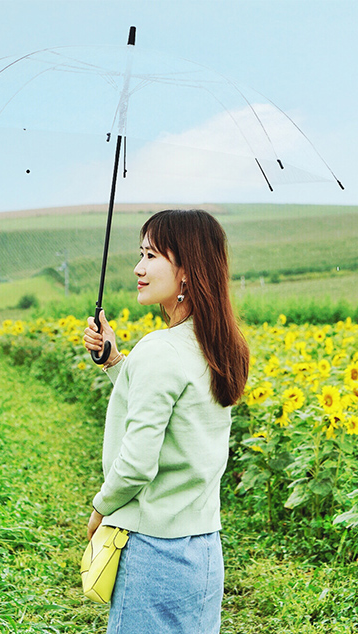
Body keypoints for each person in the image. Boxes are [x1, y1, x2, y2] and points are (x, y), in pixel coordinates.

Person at [82, 208, 250, 634]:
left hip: (152, 555)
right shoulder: (215, 345)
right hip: (203, 552)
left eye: (152, 256)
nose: (139, 268)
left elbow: (138, 464)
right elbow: (173, 407)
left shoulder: (160, 349)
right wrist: (115, 362)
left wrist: (101, 508)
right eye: (141, 254)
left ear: (188, 270)